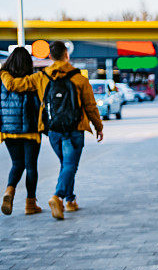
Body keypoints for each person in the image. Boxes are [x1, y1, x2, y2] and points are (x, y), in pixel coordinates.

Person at [0, 40, 104, 220]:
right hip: (74, 129)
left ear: (50, 56)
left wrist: (3, 72)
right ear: (67, 55)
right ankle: (56, 197)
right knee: (69, 165)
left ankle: (69, 200)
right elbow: (90, 106)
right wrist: (98, 126)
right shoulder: (80, 78)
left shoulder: (41, 78)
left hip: (53, 130)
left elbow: (13, 85)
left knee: (66, 165)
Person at [0, 47, 43, 216]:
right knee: (31, 166)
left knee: (17, 164)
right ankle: (30, 205)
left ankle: (9, 192)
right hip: (31, 130)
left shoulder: (1, 78)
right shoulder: (32, 80)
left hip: (9, 130)